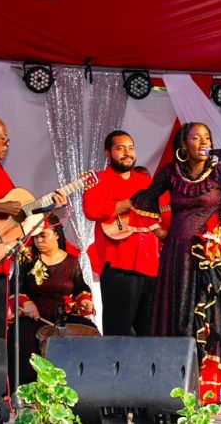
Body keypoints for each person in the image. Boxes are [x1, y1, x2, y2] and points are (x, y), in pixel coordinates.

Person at [130, 122, 221, 401]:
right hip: (178, 254)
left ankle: (217, 384)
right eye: (196, 136)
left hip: (211, 255)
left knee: (217, 314)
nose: (203, 141)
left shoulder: (220, 172)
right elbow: (145, 199)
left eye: (207, 137)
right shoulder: (170, 173)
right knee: (178, 311)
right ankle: (178, 381)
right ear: (183, 144)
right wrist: (159, 230)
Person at [0, 116, 66, 395]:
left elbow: (18, 213)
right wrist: (3, 206)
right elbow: (5, 207)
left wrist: (47, 206)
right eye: (2, 139)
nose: (7, 145)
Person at [82, 130, 159, 337]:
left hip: (150, 266)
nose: (128, 153)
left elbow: (164, 213)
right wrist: (128, 204)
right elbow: (92, 209)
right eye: (120, 148)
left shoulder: (146, 183)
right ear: (108, 153)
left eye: (131, 148)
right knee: (118, 332)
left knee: (149, 333)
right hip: (118, 265)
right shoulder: (96, 179)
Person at [7, 214, 96, 386]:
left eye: (43, 235)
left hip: (62, 314)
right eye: (35, 237)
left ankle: (82, 383)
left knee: (89, 329)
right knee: (23, 333)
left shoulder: (71, 261)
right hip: (33, 314)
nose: (38, 241)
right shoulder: (27, 259)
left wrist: (85, 299)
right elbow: (14, 288)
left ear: (56, 235)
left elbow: (80, 287)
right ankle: (26, 387)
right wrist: (26, 302)